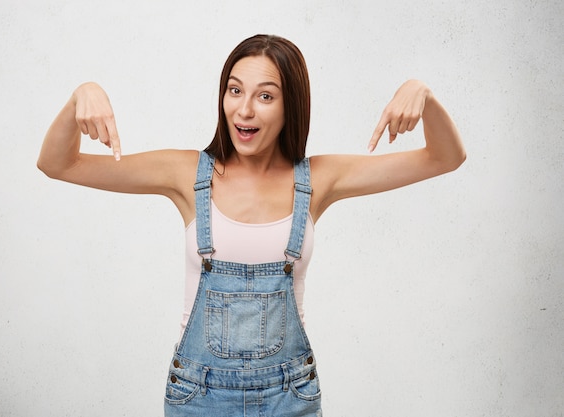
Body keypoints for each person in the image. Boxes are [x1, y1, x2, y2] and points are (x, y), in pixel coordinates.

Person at [38, 34, 465, 417]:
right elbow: (58, 164)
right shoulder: (186, 173)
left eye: (265, 96)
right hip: (199, 398)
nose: (243, 108)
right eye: (235, 90)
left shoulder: (318, 181)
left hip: (289, 398)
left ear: (290, 105)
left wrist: (422, 94)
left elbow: (445, 157)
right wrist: (81, 95)